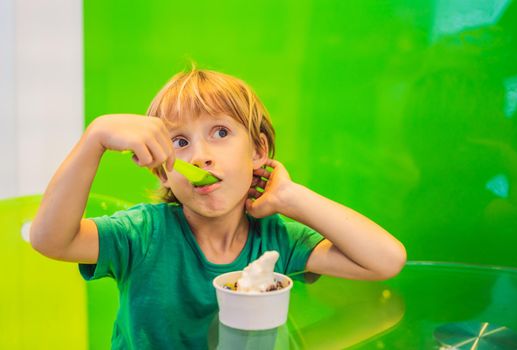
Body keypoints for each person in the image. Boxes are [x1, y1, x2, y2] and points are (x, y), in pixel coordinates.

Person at [30, 67, 406, 349]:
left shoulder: (276, 238)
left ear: (258, 151)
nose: (201, 156)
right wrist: (94, 138)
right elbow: (50, 240)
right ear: (162, 170)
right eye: (179, 142)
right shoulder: (143, 233)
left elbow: (385, 260)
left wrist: (291, 197)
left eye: (221, 133)